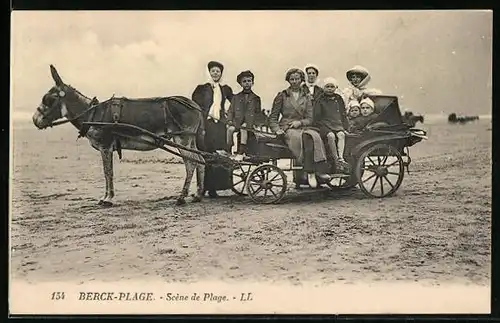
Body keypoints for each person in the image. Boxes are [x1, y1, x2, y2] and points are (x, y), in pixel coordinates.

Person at [269, 67, 330, 188]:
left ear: (301, 80)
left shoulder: (306, 96)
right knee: (302, 137)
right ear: (288, 80)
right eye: (292, 79)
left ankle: (314, 171)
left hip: (302, 126)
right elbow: (273, 118)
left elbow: (309, 118)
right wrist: (277, 130)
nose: (295, 81)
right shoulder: (282, 95)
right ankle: (311, 172)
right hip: (288, 128)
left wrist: (300, 123)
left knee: (314, 136)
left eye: (297, 79)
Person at [192, 60, 233, 198]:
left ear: (221, 74)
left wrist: (228, 116)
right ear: (209, 72)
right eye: (213, 71)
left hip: (220, 125)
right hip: (205, 125)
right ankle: (202, 187)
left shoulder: (225, 89)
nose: (216, 73)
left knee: (219, 155)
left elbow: (235, 103)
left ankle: (215, 188)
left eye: (218, 71)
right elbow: (195, 105)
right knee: (204, 155)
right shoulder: (201, 89)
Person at [313, 77, 350, 173]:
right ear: (323, 88)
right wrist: (320, 124)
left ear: (335, 88)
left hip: (337, 124)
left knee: (341, 135)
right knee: (331, 136)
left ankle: (341, 157)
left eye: (332, 87)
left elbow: (343, 113)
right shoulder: (320, 99)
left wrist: (345, 127)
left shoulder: (339, 98)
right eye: (327, 86)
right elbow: (317, 115)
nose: (330, 89)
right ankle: (336, 159)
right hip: (324, 124)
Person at [226, 70, 261, 158]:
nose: (247, 83)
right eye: (244, 81)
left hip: (248, 124)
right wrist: (229, 120)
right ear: (241, 83)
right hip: (237, 122)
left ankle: (241, 152)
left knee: (244, 128)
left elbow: (258, 113)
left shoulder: (256, 98)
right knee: (230, 129)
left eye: (249, 81)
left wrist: (253, 123)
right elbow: (230, 110)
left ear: (252, 82)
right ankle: (228, 149)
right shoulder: (236, 97)